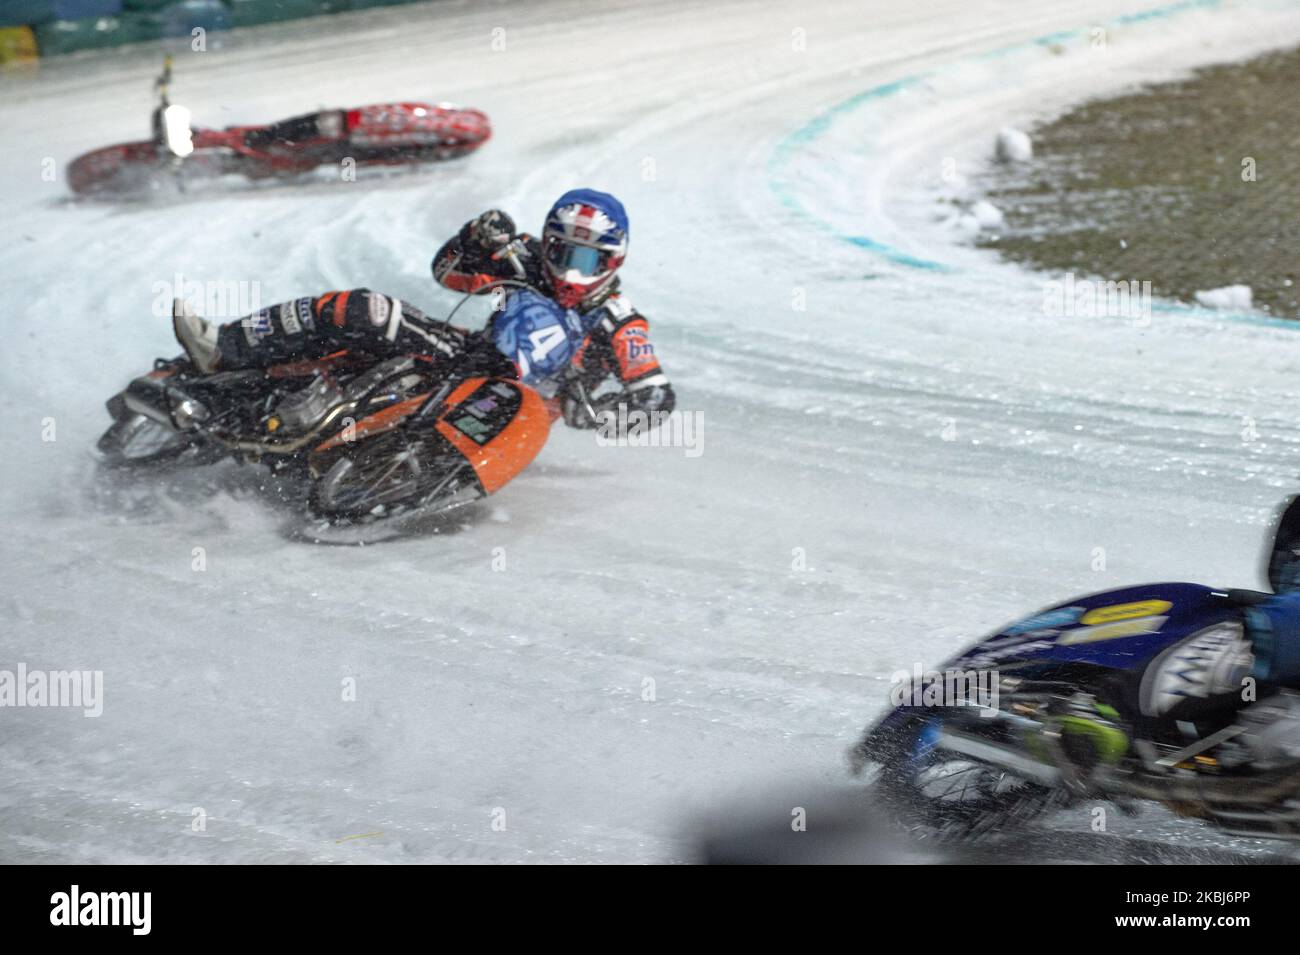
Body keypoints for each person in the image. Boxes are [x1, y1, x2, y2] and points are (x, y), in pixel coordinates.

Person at [431, 189, 675, 428]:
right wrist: (471, 238)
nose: (570, 272)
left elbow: (656, 398)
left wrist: (598, 415)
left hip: (518, 415)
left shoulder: (618, 320)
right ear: (548, 244)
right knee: (391, 313)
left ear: (612, 260)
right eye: (563, 255)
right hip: (467, 359)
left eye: (585, 261)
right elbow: (446, 271)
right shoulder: (523, 259)